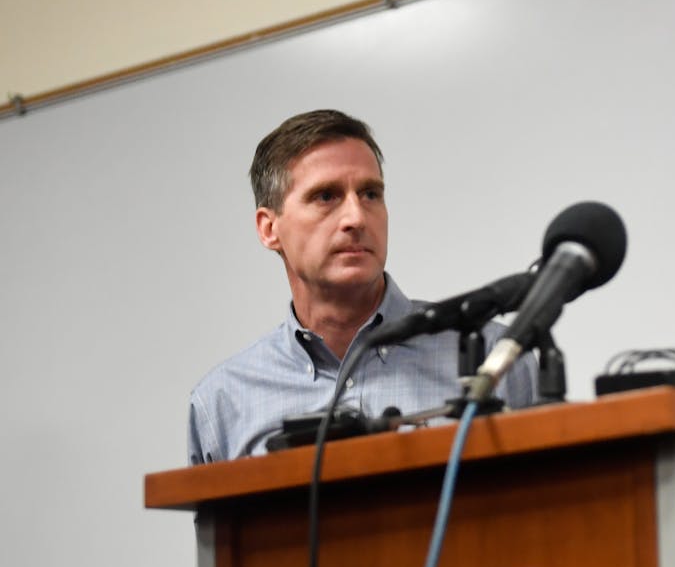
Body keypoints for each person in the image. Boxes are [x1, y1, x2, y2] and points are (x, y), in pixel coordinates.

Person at [188, 109, 537, 464]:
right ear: (268, 229)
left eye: (370, 194)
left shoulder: (494, 358)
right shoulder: (222, 402)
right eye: (326, 196)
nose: (356, 218)